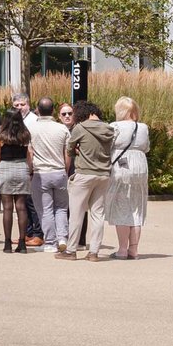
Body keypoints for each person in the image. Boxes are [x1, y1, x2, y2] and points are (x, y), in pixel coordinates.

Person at [57, 102, 113, 262]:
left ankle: (71, 250)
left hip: (84, 174)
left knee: (76, 213)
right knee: (98, 214)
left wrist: (77, 150)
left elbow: (69, 148)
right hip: (103, 174)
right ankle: (94, 252)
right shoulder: (109, 129)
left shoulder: (80, 128)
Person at [105, 97, 150, 260]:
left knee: (121, 206)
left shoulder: (114, 126)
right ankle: (134, 249)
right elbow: (146, 147)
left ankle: (122, 249)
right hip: (140, 165)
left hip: (121, 166)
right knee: (137, 207)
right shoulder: (143, 127)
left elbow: (108, 146)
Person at [0, 110, 33, 252]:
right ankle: (22, 243)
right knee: (21, 207)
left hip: (5, 168)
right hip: (21, 168)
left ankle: (7, 243)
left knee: (7, 207)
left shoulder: (1, 136)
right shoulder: (25, 135)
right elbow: (29, 156)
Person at [31, 100, 71, 252]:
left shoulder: (31, 128)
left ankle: (50, 242)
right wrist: (65, 170)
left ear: (38, 111)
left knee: (45, 209)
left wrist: (30, 170)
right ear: (53, 111)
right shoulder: (62, 129)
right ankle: (62, 237)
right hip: (59, 171)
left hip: (41, 172)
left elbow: (30, 152)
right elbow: (67, 153)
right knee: (61, 207)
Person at [15, 94, 44, 247]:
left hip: (32, 165)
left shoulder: (33, 120)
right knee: (24, 201)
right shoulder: (19, 120)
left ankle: (38, 234)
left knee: (32, 202)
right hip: (22, 164)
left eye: (22, 104)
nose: (19, 108)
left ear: (28, 104)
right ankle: (27, 232)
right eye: (17, 105)